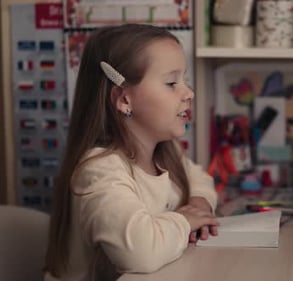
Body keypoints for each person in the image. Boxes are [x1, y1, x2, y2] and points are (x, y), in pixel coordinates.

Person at [44, 24, 219, 280]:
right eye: (172, 82)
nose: (189, 93)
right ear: (124, 100)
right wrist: (184, 221)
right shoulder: (99, 169)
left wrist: (198, 204)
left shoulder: (164, 154)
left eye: (185, 80)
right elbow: (140, 253)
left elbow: (199, 180)